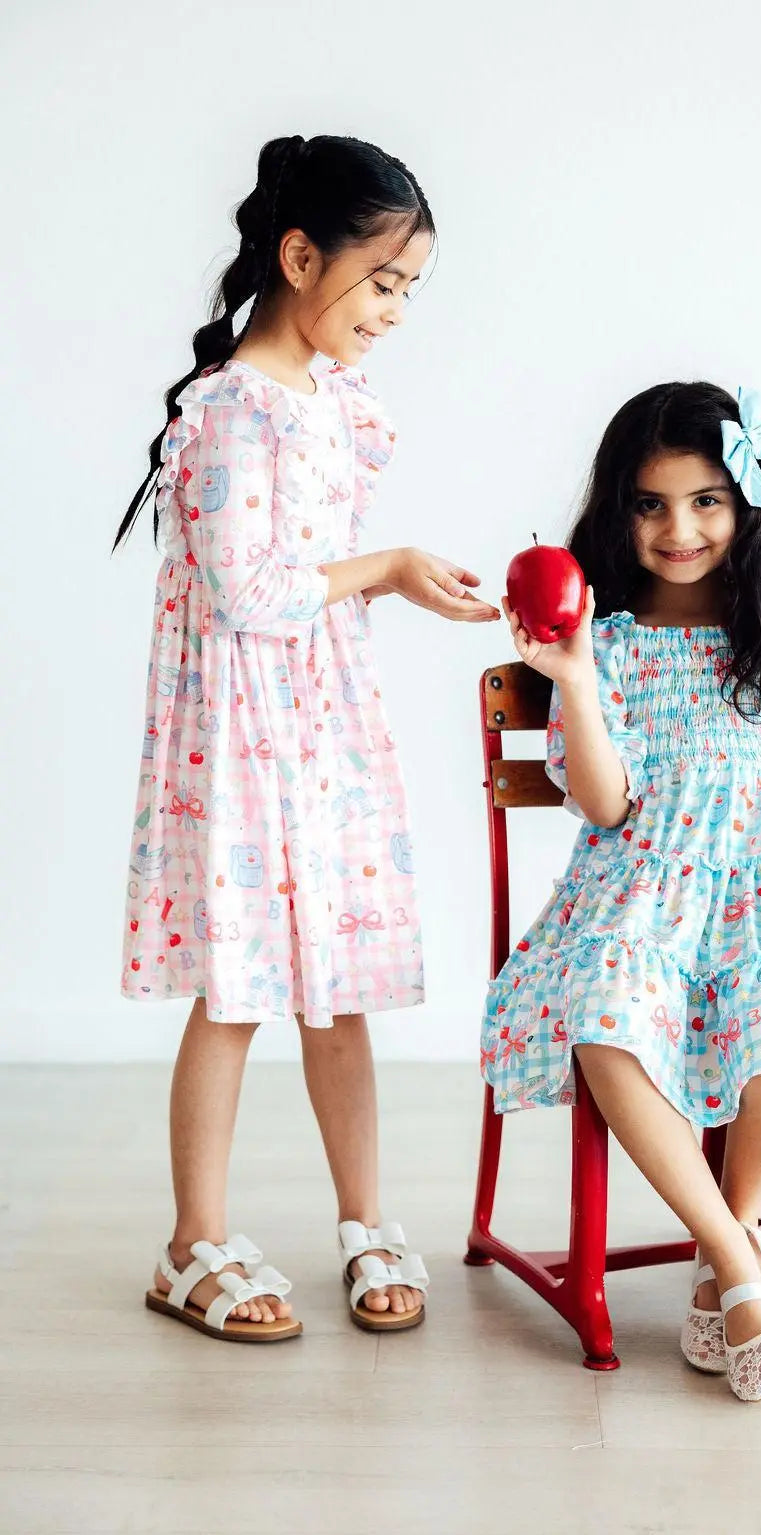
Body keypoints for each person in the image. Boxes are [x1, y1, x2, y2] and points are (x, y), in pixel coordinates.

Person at [118, 134, 498, 1343]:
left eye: (406, 289)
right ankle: (191, 1240)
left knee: (338, 992)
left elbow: (308, 576)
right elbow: (248, 592)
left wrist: (393, 576)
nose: (393, 311)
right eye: (381, 281)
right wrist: (384, 566)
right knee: (237, 990)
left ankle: (363, 1214)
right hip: (243, 736)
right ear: (299, 258)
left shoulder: (332, 402)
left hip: (322, 729)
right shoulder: (232, 412)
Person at [482, 383, 761, 1400]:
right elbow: (605, 803)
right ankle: (739, 1257)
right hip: (637, 898)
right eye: (651, 504)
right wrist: (575, 677)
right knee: (605, 1015)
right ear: (618, 511)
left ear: (747, 503)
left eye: (706, 500)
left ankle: (727, 1251)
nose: (680, 528)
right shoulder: (612, 642)